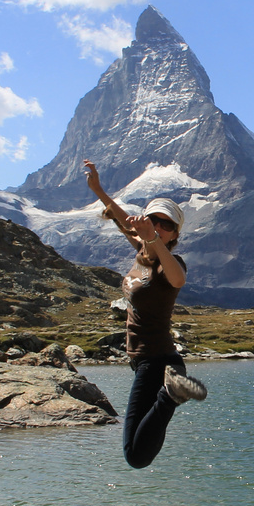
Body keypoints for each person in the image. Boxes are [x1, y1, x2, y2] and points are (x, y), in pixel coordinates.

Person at [84, 159, 207, 469]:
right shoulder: (142, 251)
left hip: (158, 360)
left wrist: (152, 237)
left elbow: (178, 280)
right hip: (148, 362)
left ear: (174, 233)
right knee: (140, 455)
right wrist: (98, 189)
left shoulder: (169, 261)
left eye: (166, 225)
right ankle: (171, 393)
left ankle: (171, 393)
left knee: (135, 456)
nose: (158, 227)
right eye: (154, 221)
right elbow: (125, 220)